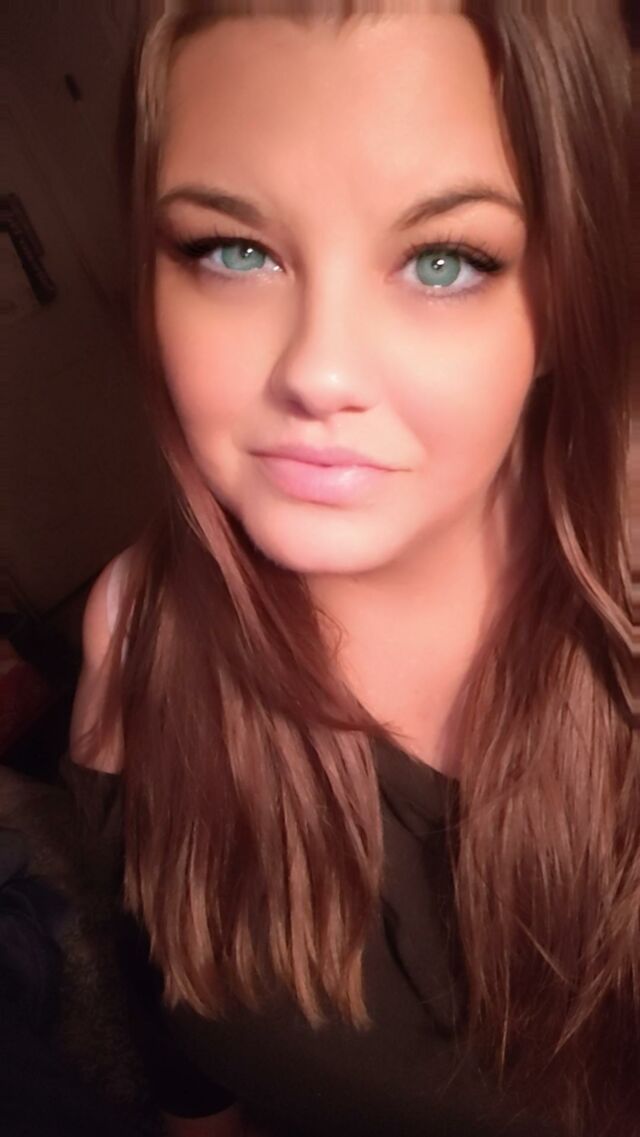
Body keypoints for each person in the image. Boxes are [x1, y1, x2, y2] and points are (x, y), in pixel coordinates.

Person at [66, 3, 638, 1136]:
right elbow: (177, 1035)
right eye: (234, 251)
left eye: (443, 261)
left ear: (568, 297)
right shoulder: (133, 633)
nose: (318, 370)